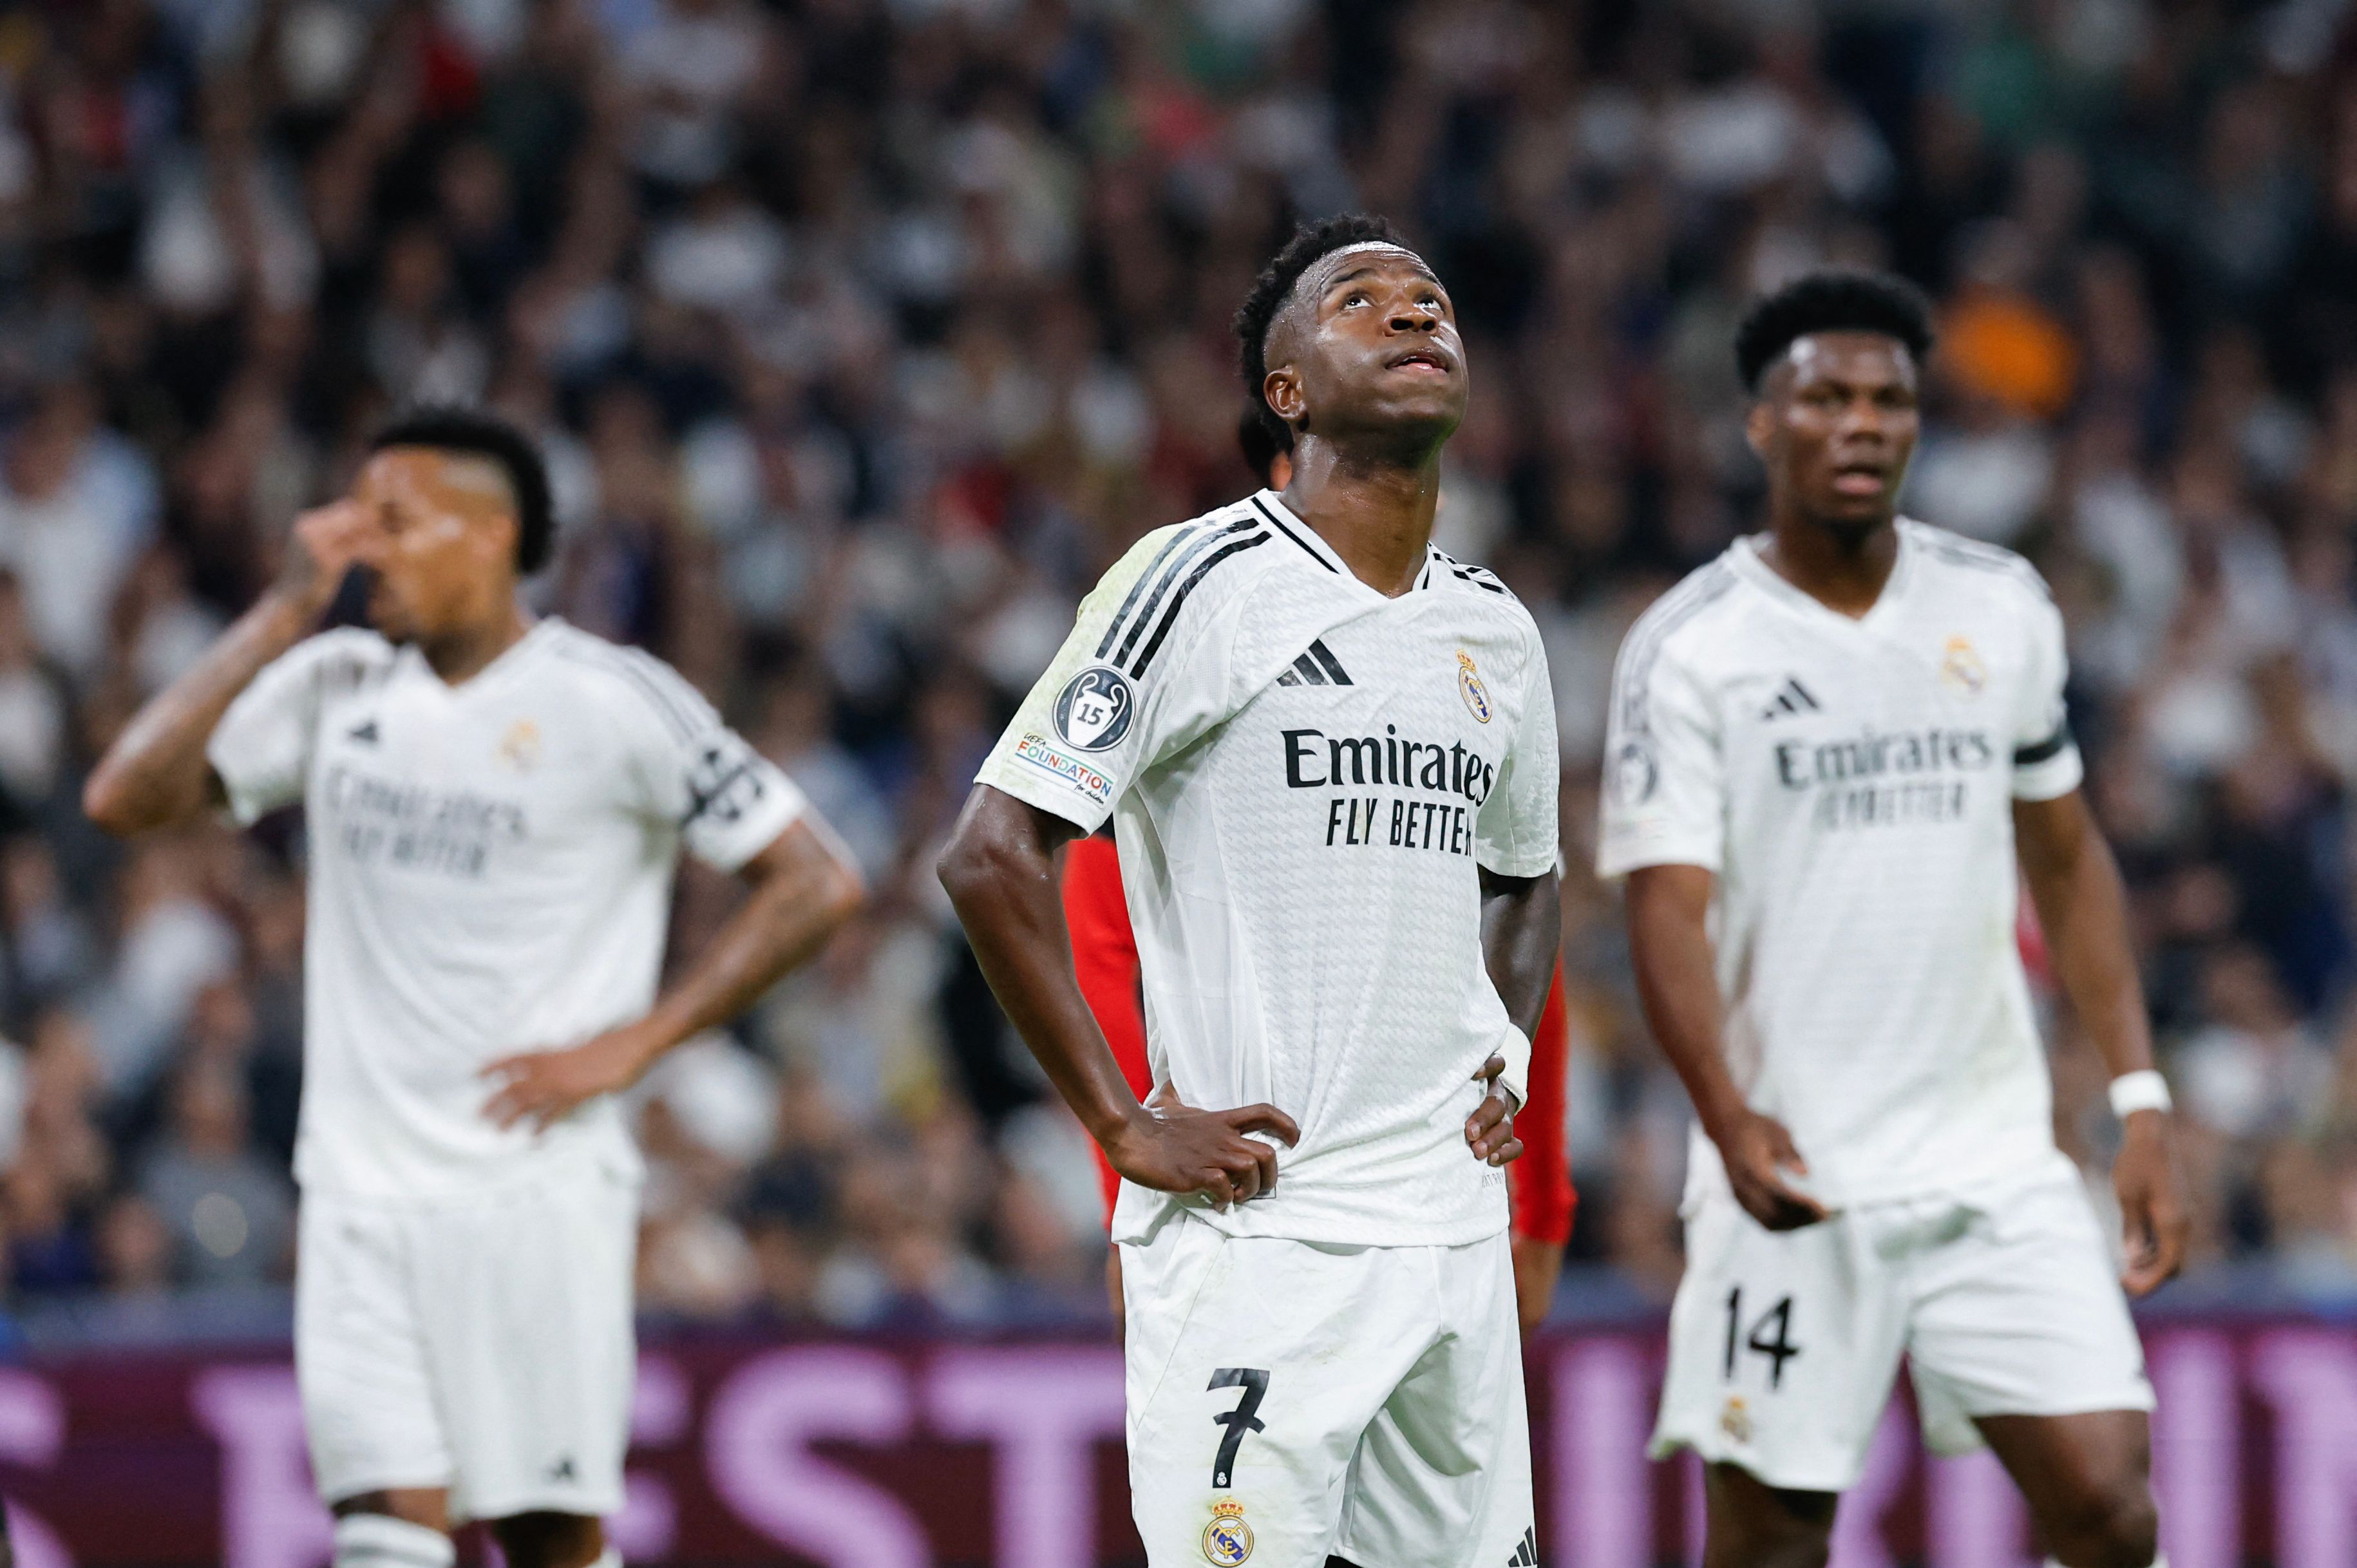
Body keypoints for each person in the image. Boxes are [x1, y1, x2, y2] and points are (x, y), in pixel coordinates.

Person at [84, 408, 864, 1568]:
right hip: (357, 1194)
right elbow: (125, 799)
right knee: (383, 1540)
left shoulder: (612, 700)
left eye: (394, 520)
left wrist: (637, 1045)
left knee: (547, 1540)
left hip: (533, 1193)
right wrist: (282, 608)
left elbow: (815, 879)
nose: (364, 544)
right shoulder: (336, 684)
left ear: (491, 534)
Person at [940, 213, 1560, 1568]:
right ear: (1286, 392)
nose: (1413, 315)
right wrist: (1121, 1121)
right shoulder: (1199, 580)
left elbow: (1527, 875)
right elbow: (990, 853)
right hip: (1258, 1230)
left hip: (1448, 1233)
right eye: (1362, 300)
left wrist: (1502, 1051)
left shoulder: (1493, 629)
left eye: (1432, 298)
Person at [1598, 272, 2187, 1568]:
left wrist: (2138, 1097)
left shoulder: (2002, 607)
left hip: (1993, 1161)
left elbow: (2071, 860)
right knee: (1772, 1541)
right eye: (1827, 398)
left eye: (1890, 400)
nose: (1862, 423)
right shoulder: (1694, 647)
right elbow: (1664, 910)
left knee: (2109, 1504)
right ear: (1763, 423)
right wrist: (1725, 1114)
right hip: (1795, 1165)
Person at [1062, 406, 1575, 1334]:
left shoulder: (1473, 635)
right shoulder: (1201, 622)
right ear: (1286, 471)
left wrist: (1537, 1204)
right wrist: (1124, 1167)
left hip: (1437, 1208)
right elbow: (1102, 948)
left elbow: (1520, 926)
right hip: (1253, 1203)